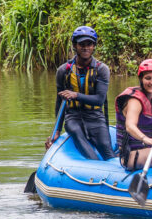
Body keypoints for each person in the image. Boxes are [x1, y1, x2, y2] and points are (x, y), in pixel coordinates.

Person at [46, 25, 115, 160]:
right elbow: (59, 102)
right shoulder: (63, 70)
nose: (85, 47)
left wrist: (75, 95)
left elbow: (100, 100)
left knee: (107, 151)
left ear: (94, 46)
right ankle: (93, 164)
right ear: (75, 46)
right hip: (73, 117)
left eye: (89, 44)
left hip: (95, 116)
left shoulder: (102, 69)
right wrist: (57, 130)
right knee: (78, 135)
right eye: (81, 44)